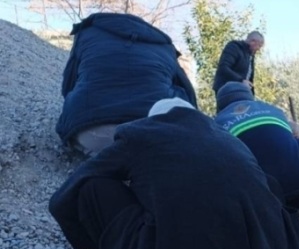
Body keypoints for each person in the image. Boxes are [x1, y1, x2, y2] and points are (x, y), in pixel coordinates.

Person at [49, 98, 299, 249]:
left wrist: (85, 240)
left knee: (95, 187)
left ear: (155, 120)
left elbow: (70, 189)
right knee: (266, 183)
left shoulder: (139, 135)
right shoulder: (228, 138)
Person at [56, 13, 196, 155]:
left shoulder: (87, 32)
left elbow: (68, 83)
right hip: (153, 135)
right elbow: (189, 94)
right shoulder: (166, 47)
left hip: (89, 131)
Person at [214, 81, 299, 208]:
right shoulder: (271, 108)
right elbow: (296, 133)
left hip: (266, 196)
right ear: (250, 97)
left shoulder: (216, 122)